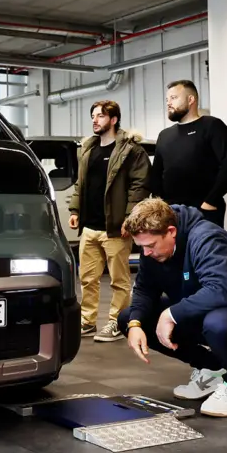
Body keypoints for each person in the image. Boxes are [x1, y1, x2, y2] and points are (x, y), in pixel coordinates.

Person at [123, 198, 227, 417]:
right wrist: (134, 324)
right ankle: (212, 368)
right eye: (141, 247)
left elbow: (221, 290)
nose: (146, 253)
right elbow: (144, 290)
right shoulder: (151, 249)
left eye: (150, 246)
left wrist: (171, 314)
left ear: (171, 232)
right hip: (207, 310)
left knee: (218, 323)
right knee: (128, 318)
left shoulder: (206, 238)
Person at [67, 100, 151, 343]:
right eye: (93, 116)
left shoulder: (131, 151)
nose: (95, 120)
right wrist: (75, 209)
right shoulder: (88, 149)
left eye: (101, 116)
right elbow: (80, 184)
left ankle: (117, 321)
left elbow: (139, 187)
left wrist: (129, 218)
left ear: (114, 120)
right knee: (87, 279)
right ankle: (87, 321)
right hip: (90, 227)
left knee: (119, 280)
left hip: (115, 228)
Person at [149, 80, 227, 228]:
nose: (169, 103)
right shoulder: (165, 135)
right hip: (170, 213)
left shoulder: (212, 126)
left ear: (191, 99)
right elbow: (156, 174)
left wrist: (211, 201)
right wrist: (160, 205)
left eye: (174, 98)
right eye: (167, 99)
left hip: (205, 211)